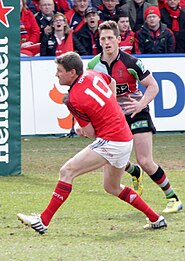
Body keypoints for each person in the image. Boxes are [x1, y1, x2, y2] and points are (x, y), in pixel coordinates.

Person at [17, 51, 167, 234]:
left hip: (111, 141)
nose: (56, 74)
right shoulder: (92, 73)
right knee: (112, 187)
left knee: (67, 171)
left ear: (72, 72)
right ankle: (156, 218)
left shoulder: (73, 99)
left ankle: (43, 221)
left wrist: (83, 130)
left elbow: (91, 133)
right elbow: (111, 81)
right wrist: (109, 106)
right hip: (125, 138)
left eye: (59, 71)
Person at [87, 20, 183, 213]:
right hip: (112, 118)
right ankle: (133, 171)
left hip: (136, 112)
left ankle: (173, 198)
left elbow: (153, 86)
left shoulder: (131, 62)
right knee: (108, 157)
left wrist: (141, 104)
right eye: (103, 38)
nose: (106, 42)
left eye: (110, 38)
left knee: (145, 160)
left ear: (118, 39)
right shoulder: (93, 65)